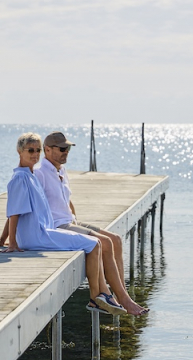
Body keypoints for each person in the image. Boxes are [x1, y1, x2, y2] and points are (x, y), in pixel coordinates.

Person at [0, 132, 126, 316]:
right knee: (94, 244)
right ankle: (97, 297)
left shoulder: (30, 175)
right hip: (38, 235)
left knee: (96, 243)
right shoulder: (21, 178)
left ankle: (100, 296)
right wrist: (12, 244)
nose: (35, 154)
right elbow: (14, 212)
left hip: (43, 231)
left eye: (38, 150)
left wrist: (3, 239)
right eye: (30, 150)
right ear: (19, 151)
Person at [37, 131, 148, 316]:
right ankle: (119, 299)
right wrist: (10, 238)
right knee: (105, 243)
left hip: (69, 220)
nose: (66, 152)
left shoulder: (61, 170)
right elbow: (26, 204)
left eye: (68, 148)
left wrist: (76, 219)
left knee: (116, 239)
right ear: (47, 150)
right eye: (62, 149)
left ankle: (121, 296)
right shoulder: (40, 174)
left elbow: (67, 199)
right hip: (57, 226)